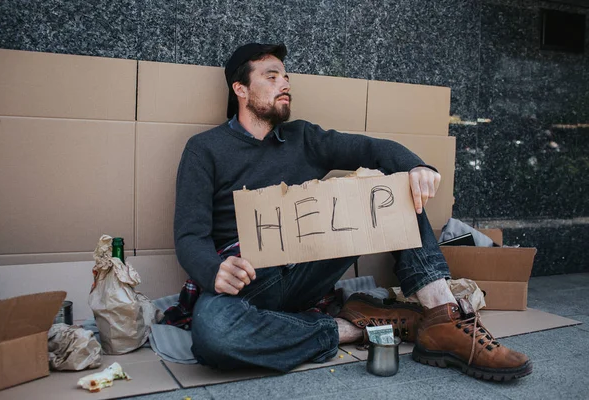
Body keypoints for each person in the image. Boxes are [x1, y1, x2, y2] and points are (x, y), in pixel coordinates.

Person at [174, 43, 532, 381]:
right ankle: (355, 327)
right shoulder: (204, 149)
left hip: (308, 268)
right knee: (214, 335)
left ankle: (442, 314)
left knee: (393, 185)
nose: (284, 83)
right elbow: (190, 236)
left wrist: (417, 168)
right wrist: (215, 270)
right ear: (240, 88)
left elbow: (373, 148)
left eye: (286, 76)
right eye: (271, 76)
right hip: (250, 280)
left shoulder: (303, 137)